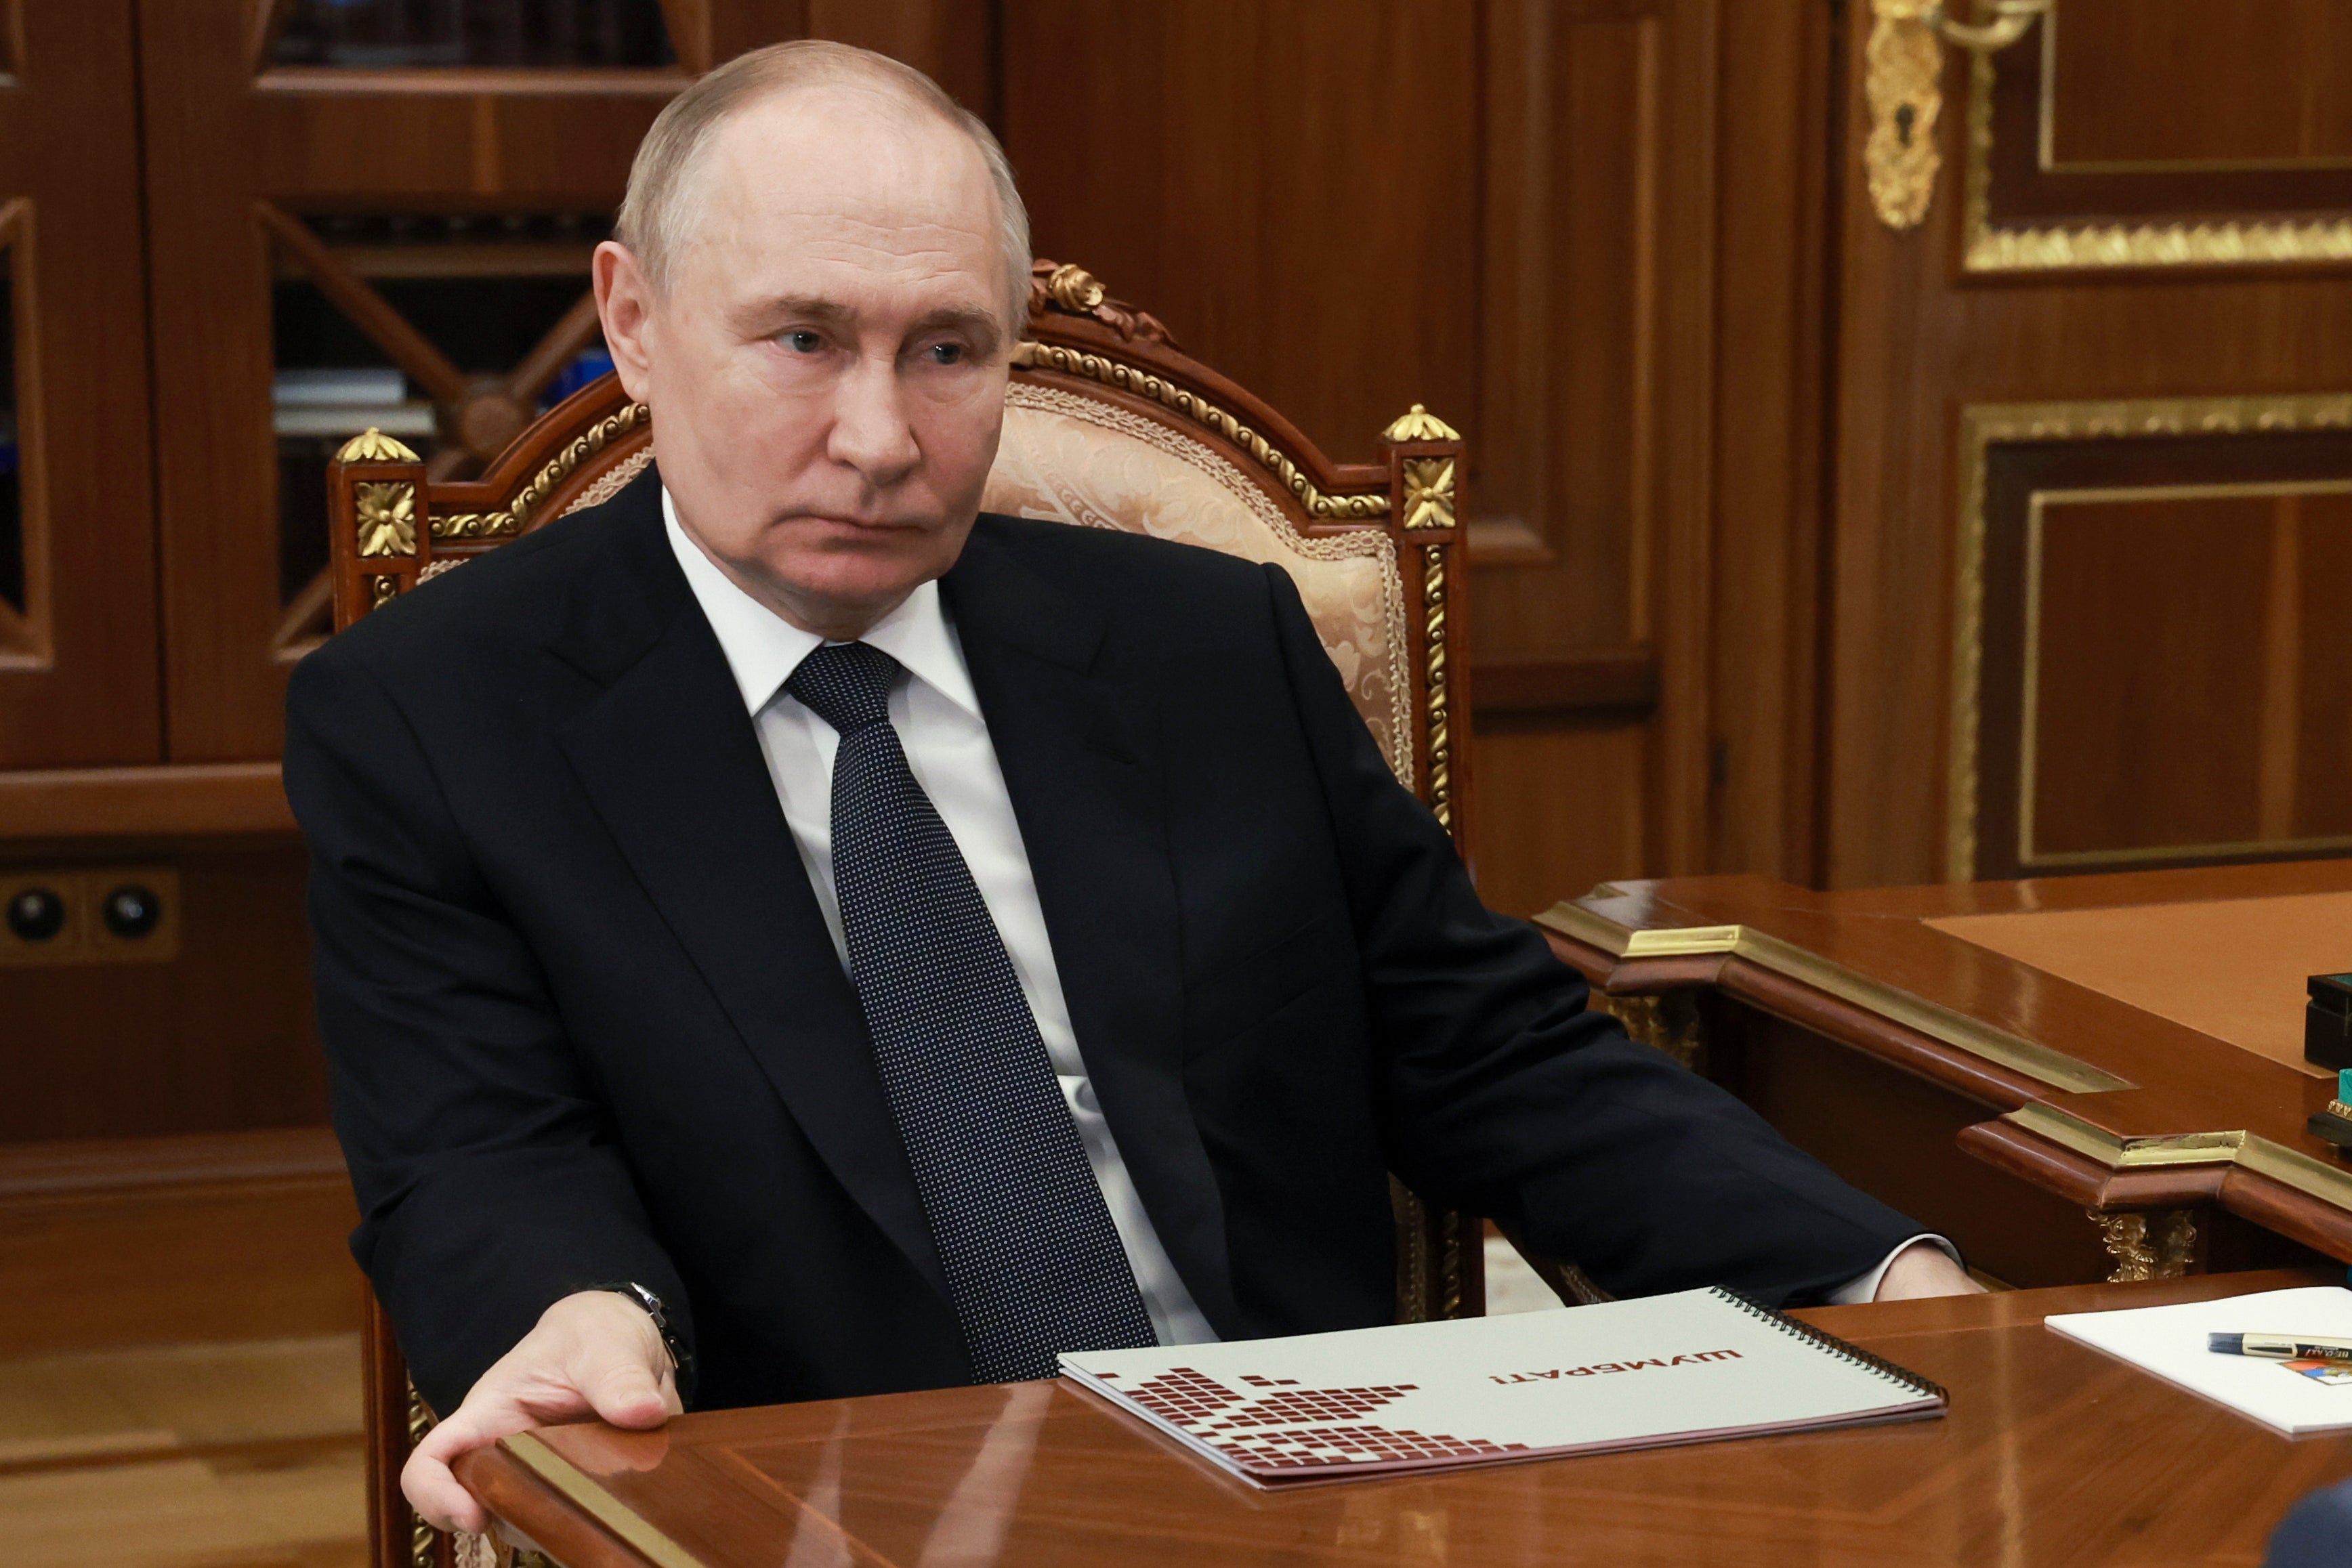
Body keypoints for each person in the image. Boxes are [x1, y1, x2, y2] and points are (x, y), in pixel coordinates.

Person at [282, 40, 1981, 1535]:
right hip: (840, 1500)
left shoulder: (1199, 647)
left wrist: (1871, 1272)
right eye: (803, 339)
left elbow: (1490, 1054)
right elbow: (477, 1152)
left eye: (945, 351)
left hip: (1317, 1486)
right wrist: (580, 1313)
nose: (880, 436)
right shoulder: (436, 713)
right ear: (633, 324)